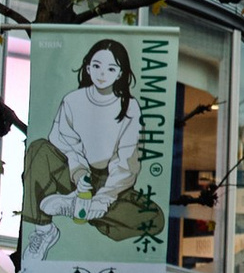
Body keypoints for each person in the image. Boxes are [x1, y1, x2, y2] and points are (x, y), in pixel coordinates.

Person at [21, 38, 165, 260]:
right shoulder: (72, 100)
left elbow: (127, 161)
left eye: (111, 68)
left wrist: (103, 198)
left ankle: (80, 207)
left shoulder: (129, 107)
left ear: (120, 73)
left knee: (154, 220)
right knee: (38, 148)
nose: (102, 73)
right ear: (88, 68)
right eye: (96, 66)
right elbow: (64, 142)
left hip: (109, 182)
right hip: (72, 174)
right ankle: (44, 229)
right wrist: (79, 174)